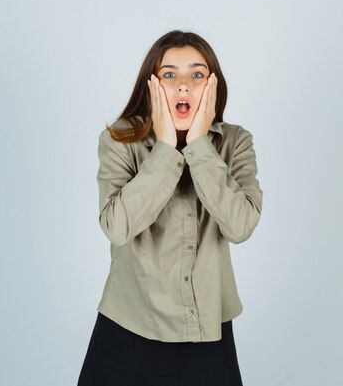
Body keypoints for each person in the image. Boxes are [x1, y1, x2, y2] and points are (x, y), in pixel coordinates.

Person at [77, 30, 263, 386]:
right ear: (152, 85)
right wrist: (164, 147)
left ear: (212, 86)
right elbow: (117, 226)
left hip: (208, 335)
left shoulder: (236, 143)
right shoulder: (119, 139)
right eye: (169, 74)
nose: (183, 86)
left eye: (196, 74)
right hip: (127, 331)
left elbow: (240, 226)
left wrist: (197, 145)